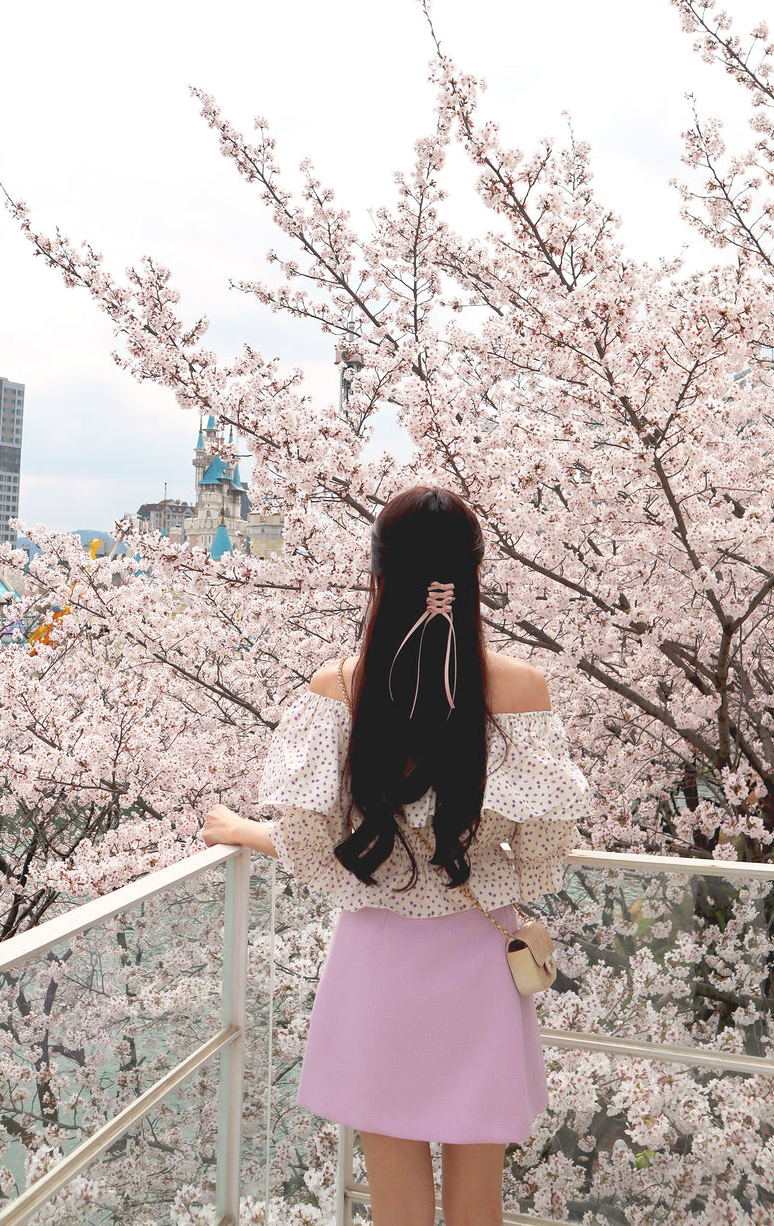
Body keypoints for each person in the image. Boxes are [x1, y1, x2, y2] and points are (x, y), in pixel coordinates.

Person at [202, 486, 591, 1226]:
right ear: (473, 575)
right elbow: (542, 854)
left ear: (378, 574)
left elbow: (316, 848)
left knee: (396, 1205)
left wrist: (254, 833)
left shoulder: (339, 688)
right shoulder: (521, 690)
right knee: (479, 1202)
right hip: (480, 963)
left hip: (377, 964)